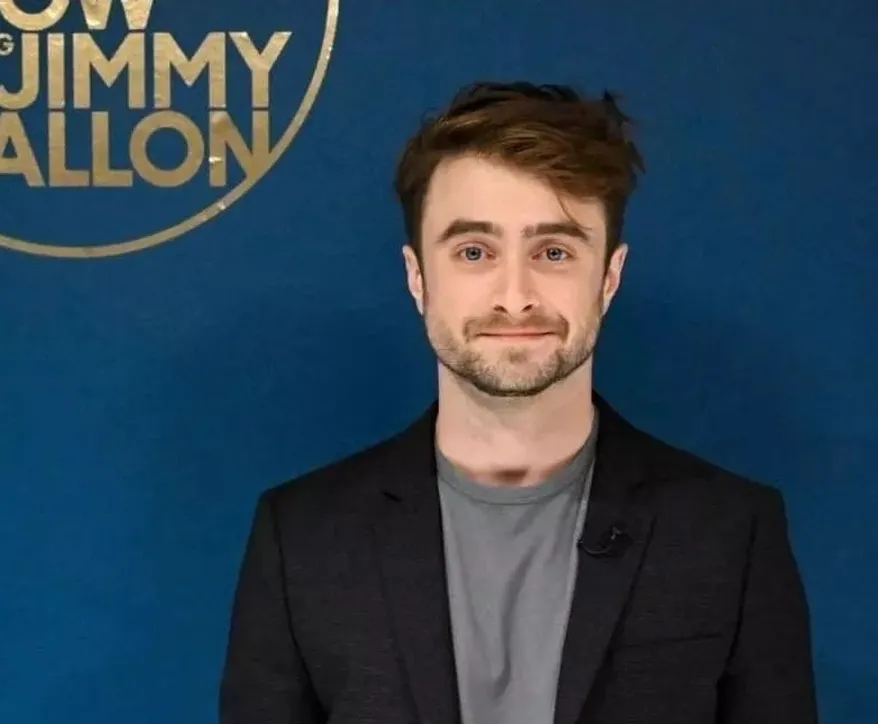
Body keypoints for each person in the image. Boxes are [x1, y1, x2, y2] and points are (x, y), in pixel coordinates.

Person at [219, 81, 818, 724]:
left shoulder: (730, 530)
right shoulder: (301, 539)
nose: (514, 297)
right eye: (474, 252)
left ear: (609, 277)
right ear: (417, 277)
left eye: (553, 252)